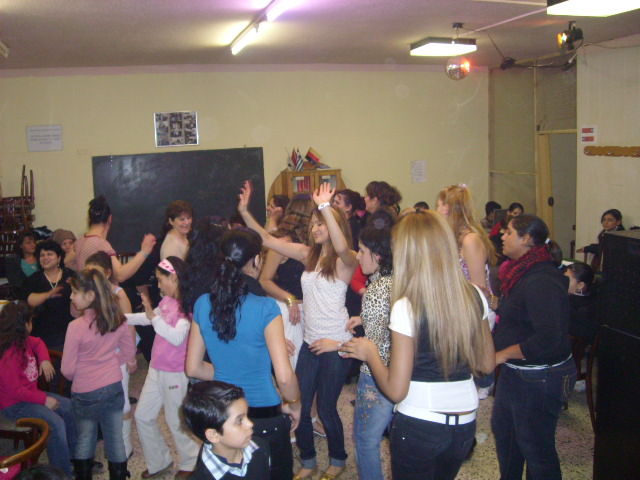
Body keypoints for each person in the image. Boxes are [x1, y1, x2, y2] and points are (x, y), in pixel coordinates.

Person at [341, 209, 495, 480]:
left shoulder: (406, 306)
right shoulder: (474, 295)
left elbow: (396, 390)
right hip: (464, 422)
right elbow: (485, 364)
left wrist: (371, 353)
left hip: (420, 422)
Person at [236, 181, 358, 480]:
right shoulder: (307, 255)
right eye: (313, 223)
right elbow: (267, 238)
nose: (315, 228)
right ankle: (308, 459)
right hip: (310, 342)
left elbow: (342, 246)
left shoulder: (346, 260)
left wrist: (325, 206)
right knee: (299, 405)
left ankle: (338, 459)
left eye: (321, 223)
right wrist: (245, 212)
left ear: (334, 223)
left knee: (326, 408)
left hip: (336, 345)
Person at [186, 229, 302, 480]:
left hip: (226, 414)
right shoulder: (266, 307)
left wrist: (229, 372)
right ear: (256, 260)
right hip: (265, 414)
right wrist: (295, 403)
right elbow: (284, 377)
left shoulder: (203, 303)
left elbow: (194, 368)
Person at [492, 215, 576, 480]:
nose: (502, 236)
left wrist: (501, 355)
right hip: (516, 371)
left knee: (536, 449)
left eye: (508, 232)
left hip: (540, 376)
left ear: (526, 239)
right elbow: (522, 313)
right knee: (506, 437)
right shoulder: (520, 271)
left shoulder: (541, 278)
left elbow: (549, 338)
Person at [126, 257, 201, 479]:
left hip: (174, 372)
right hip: (156, 368)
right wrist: (121, 318)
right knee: (142, 416)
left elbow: (177, 337)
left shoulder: (187, 306)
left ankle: (190, 462)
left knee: (175, 419)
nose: (158, 285)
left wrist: (153, 317)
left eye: (161, 280)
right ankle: (159, 460)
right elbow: (149, 318)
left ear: (174, 278)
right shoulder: (167, 301)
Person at [61, 269, 136, 480]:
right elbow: (129, 352)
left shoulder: (75, 327)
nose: (71, 296)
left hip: (84, 392)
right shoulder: (117, 320)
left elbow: (67, 370)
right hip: (113, 386)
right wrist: (110, 363)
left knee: (85, 439)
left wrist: (84, 373)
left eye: (75, 292)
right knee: (115, 438)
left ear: (90, 295)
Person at [0, 301, 77, 477]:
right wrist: (44, 400)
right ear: (25, 324)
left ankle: (74, 458)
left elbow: (38, 343)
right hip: (14, 405)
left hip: (30, 396)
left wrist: (44, 359)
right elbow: (15, 391)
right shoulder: (7, 355)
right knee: (55, 424)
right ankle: (62, 473)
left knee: (69, 407)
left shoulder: (22, 339)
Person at [437, 184, 496, 399]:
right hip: (458, 309)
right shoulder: (452, 237)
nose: (437, 210)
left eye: (439, 205)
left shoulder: (470, 240)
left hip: (473, 312)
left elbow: (479, 289)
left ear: (448, 208)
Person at [344, 224, 393, 480]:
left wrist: (337, 346)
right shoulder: (396, 281)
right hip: (399, 372)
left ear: (378, 255)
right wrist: (364, 318)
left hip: (376, 376)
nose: (359, 256)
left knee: (365, 441)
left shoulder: (375, 290)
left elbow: (371, 348)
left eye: (362, 251)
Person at [84, 251, 137, 459]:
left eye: (95, 272)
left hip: (118, 353)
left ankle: (125, 444)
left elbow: (129, 324)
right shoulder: (89, 294)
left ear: (107, 273)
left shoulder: (118, 293)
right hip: (98, 356)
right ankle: (112, 441)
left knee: (121, 400)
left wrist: (130, 355)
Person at [259, 194, 314, 369]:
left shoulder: (312, 242)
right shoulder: (284, 241)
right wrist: (289, 299)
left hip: (309, 313)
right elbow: (264, 280)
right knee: (292, 366)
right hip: (289, 311)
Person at [183, 381, 271, 480]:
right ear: (213, 435)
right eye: (239, 421)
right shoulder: (203, 477)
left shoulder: (260, 447)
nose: (250, 424)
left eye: (247, 415)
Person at [73, 196, 156, 282]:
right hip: (96, 290)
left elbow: (68, 262)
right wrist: (144, 251)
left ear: (89, 219)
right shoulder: (101, 244)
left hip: (84, 288)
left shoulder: (79, 241)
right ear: (110, 218)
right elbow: (120, 275)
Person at [21, 240, 74, 352]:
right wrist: (48, 295)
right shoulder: (34, 279)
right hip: (42, 330)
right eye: (42, 255)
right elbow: (29, 300)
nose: (45, 258)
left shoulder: (71, 275)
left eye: (49, 254)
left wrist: (76, 287)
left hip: (68, 329)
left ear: (59, 258)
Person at [6, 231, 39, 295]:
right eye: (28, 243)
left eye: (34, 242)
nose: (33, 245)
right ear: (21, 245)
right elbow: (15, 282)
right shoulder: (13, 261)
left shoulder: (41, 258)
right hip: (22, 294)